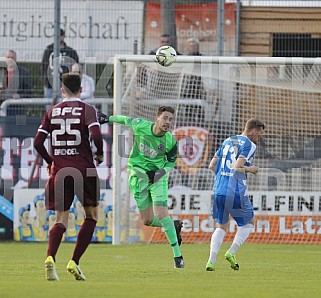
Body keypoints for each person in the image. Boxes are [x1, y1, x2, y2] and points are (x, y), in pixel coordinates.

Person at [34, 73, 104, 281]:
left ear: (62, 90)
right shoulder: (87, 110)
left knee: (61, 219)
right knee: (91, 216)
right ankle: (74, 261)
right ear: (81, 89)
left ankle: (50, 258)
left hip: (60, 171)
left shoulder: (52, 112)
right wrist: (99, 154)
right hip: (85, 169)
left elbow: (38, 142)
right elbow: (97, 136)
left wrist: (50, 161)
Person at [101, 106, 184, 268]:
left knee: (161, 214)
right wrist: (107, 119)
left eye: (170, 119)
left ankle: (178, 257)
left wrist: (160, 173)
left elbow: (172, 161)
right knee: (147, 220)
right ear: (157, 118)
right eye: (165, 118)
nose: (167, 122)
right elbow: (125, 120)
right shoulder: (141, 125)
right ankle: (173, 226)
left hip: (157, 179)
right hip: (138, 178)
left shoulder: (171, 141)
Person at [205, 118, 265, 272]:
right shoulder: (250, 145)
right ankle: (231, 252)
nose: (260, 137)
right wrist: (252, 169)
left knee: (222, 225)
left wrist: (222, 177)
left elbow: (211, 165)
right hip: (236, 191)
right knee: (249, 221)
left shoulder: (227, 141)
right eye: (260, 134)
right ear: (254, 130)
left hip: (219, 189)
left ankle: (211, 261)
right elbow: (238, 167)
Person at [41, 29, 79, 99]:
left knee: (65, 107)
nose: (59, 38)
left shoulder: (71, 51)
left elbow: (75, 68)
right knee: (50, 108)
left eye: (60, 36)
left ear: (63, 36)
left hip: (66, 86)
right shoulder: (48, 50)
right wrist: (45, 83)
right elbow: (44, 67)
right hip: (50, 86)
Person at [0, 50, 33, 115]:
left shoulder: (24, 73)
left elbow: (29, 91)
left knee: (18, 124)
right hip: (1, 106)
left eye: (12, 57)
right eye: (8, 57)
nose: (10, 59)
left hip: (17, 107)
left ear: (16, 59)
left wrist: (20, 96)